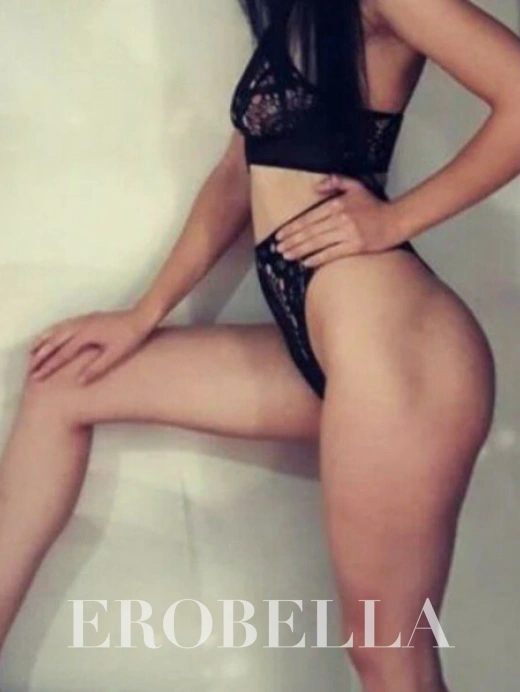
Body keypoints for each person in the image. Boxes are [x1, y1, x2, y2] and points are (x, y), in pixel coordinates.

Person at [0, 0, 519, 689]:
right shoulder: (298, 16)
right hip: (333, 348)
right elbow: (234, 179)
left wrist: (394, 220)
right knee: (64, 383)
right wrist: (143, 313)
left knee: (388, 654)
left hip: (400, 350)